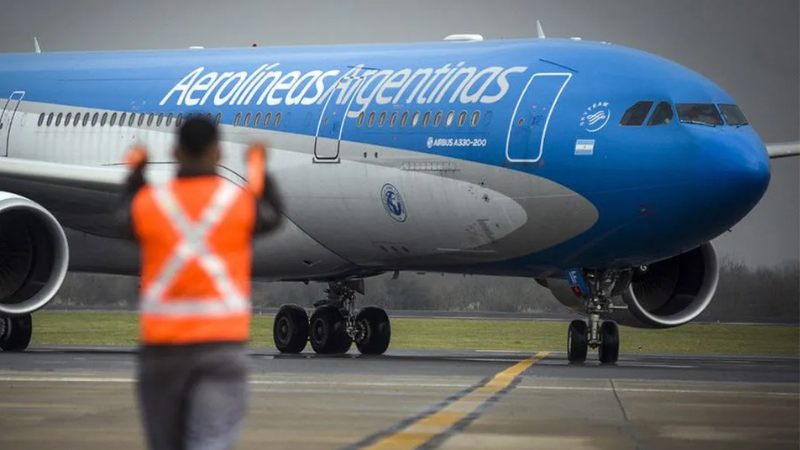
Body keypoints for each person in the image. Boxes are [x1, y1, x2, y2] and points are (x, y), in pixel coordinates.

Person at [116, 114, 284, 450]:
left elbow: (122, 218)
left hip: (163, 352)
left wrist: (136, 173)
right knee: (211, 440)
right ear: (218, 154)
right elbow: (272, 212)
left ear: (175, 152)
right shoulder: (237, 203)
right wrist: (258, 166)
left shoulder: (152, 203)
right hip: (221, 348)